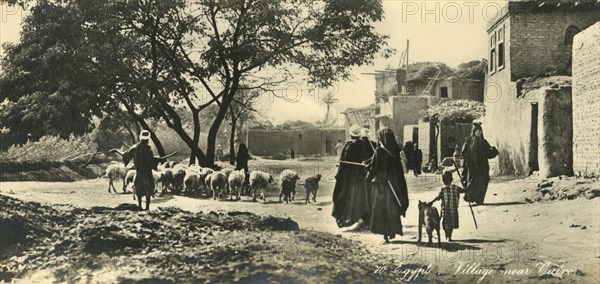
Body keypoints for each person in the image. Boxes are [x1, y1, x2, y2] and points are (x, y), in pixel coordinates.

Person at [366, 128, 409, 244]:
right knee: (392, 210)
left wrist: (367, 178)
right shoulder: (396, 150)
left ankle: (385, 234)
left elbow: (374, 168)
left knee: (382, 210)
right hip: (394, 186)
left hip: (381, 185)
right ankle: (392, 231)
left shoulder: (379, 151)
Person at [332, 125, 371, 230]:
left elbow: (343, 163)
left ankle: (354, 220)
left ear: (350, 134)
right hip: (361, 176)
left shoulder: (349, 145)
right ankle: (362, 219)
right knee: (361, 198)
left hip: (349, 178)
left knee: (344, 197)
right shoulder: (365, 144)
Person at [122, 130, 165, 210]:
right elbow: (151, 160)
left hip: (139, 171)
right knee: (149, 187)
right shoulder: (148, 149)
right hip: (147, 172)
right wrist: (157, 160)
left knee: (137, 185)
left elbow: (127, 155)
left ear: (140, 138)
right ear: (148, 139)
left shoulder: (134, 147)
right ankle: (147, 207)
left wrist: (125, 157)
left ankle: (139, 206)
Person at [460, 123, 499, 205]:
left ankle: (479, 199)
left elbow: (489, 154)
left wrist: (493, 150)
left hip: (483, 167)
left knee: (483, 181)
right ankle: (470, 197)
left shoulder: (484, 142)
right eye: (476, 131)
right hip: (472, 167)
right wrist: (466, 163)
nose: (478, 132)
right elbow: (463, 154)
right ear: (473, 131)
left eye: (479, 131)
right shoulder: (469, 141)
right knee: (472, 182)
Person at [429, 170, 461, 241]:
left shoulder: (443, 189)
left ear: (443, 180)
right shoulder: (456, 188)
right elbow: (464, 190)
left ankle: (447, 235)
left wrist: (431, 202)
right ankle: (449, 236)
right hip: (454, 209)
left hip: (445, 209)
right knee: (452, 222)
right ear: (452, 179)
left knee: (445, 223)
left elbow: (437, 198)